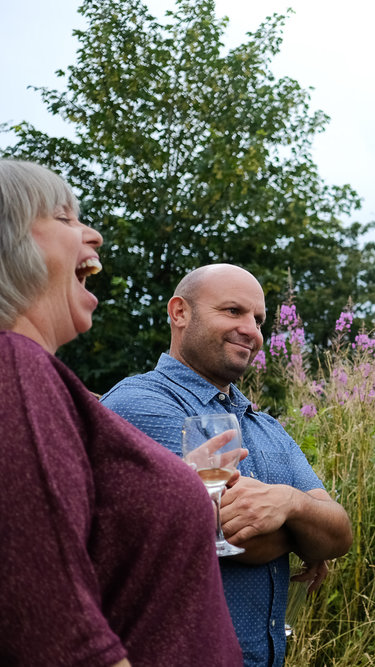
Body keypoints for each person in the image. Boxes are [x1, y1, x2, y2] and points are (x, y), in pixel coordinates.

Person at [0, 160, 242, 665]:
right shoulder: (16, 366)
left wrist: (177, 484)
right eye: (66, 219)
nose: (93, 234)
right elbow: (53, 627)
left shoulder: (45, 383)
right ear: (12, 244)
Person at [101, 263, 353, 667]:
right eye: (233, 311)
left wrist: (288, 503)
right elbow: (238, 539)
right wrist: (305, 536)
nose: (252, 331)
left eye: (258, 319)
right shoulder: (140, 405)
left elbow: (339, 534)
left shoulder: (265, 425)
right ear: (180, 312)